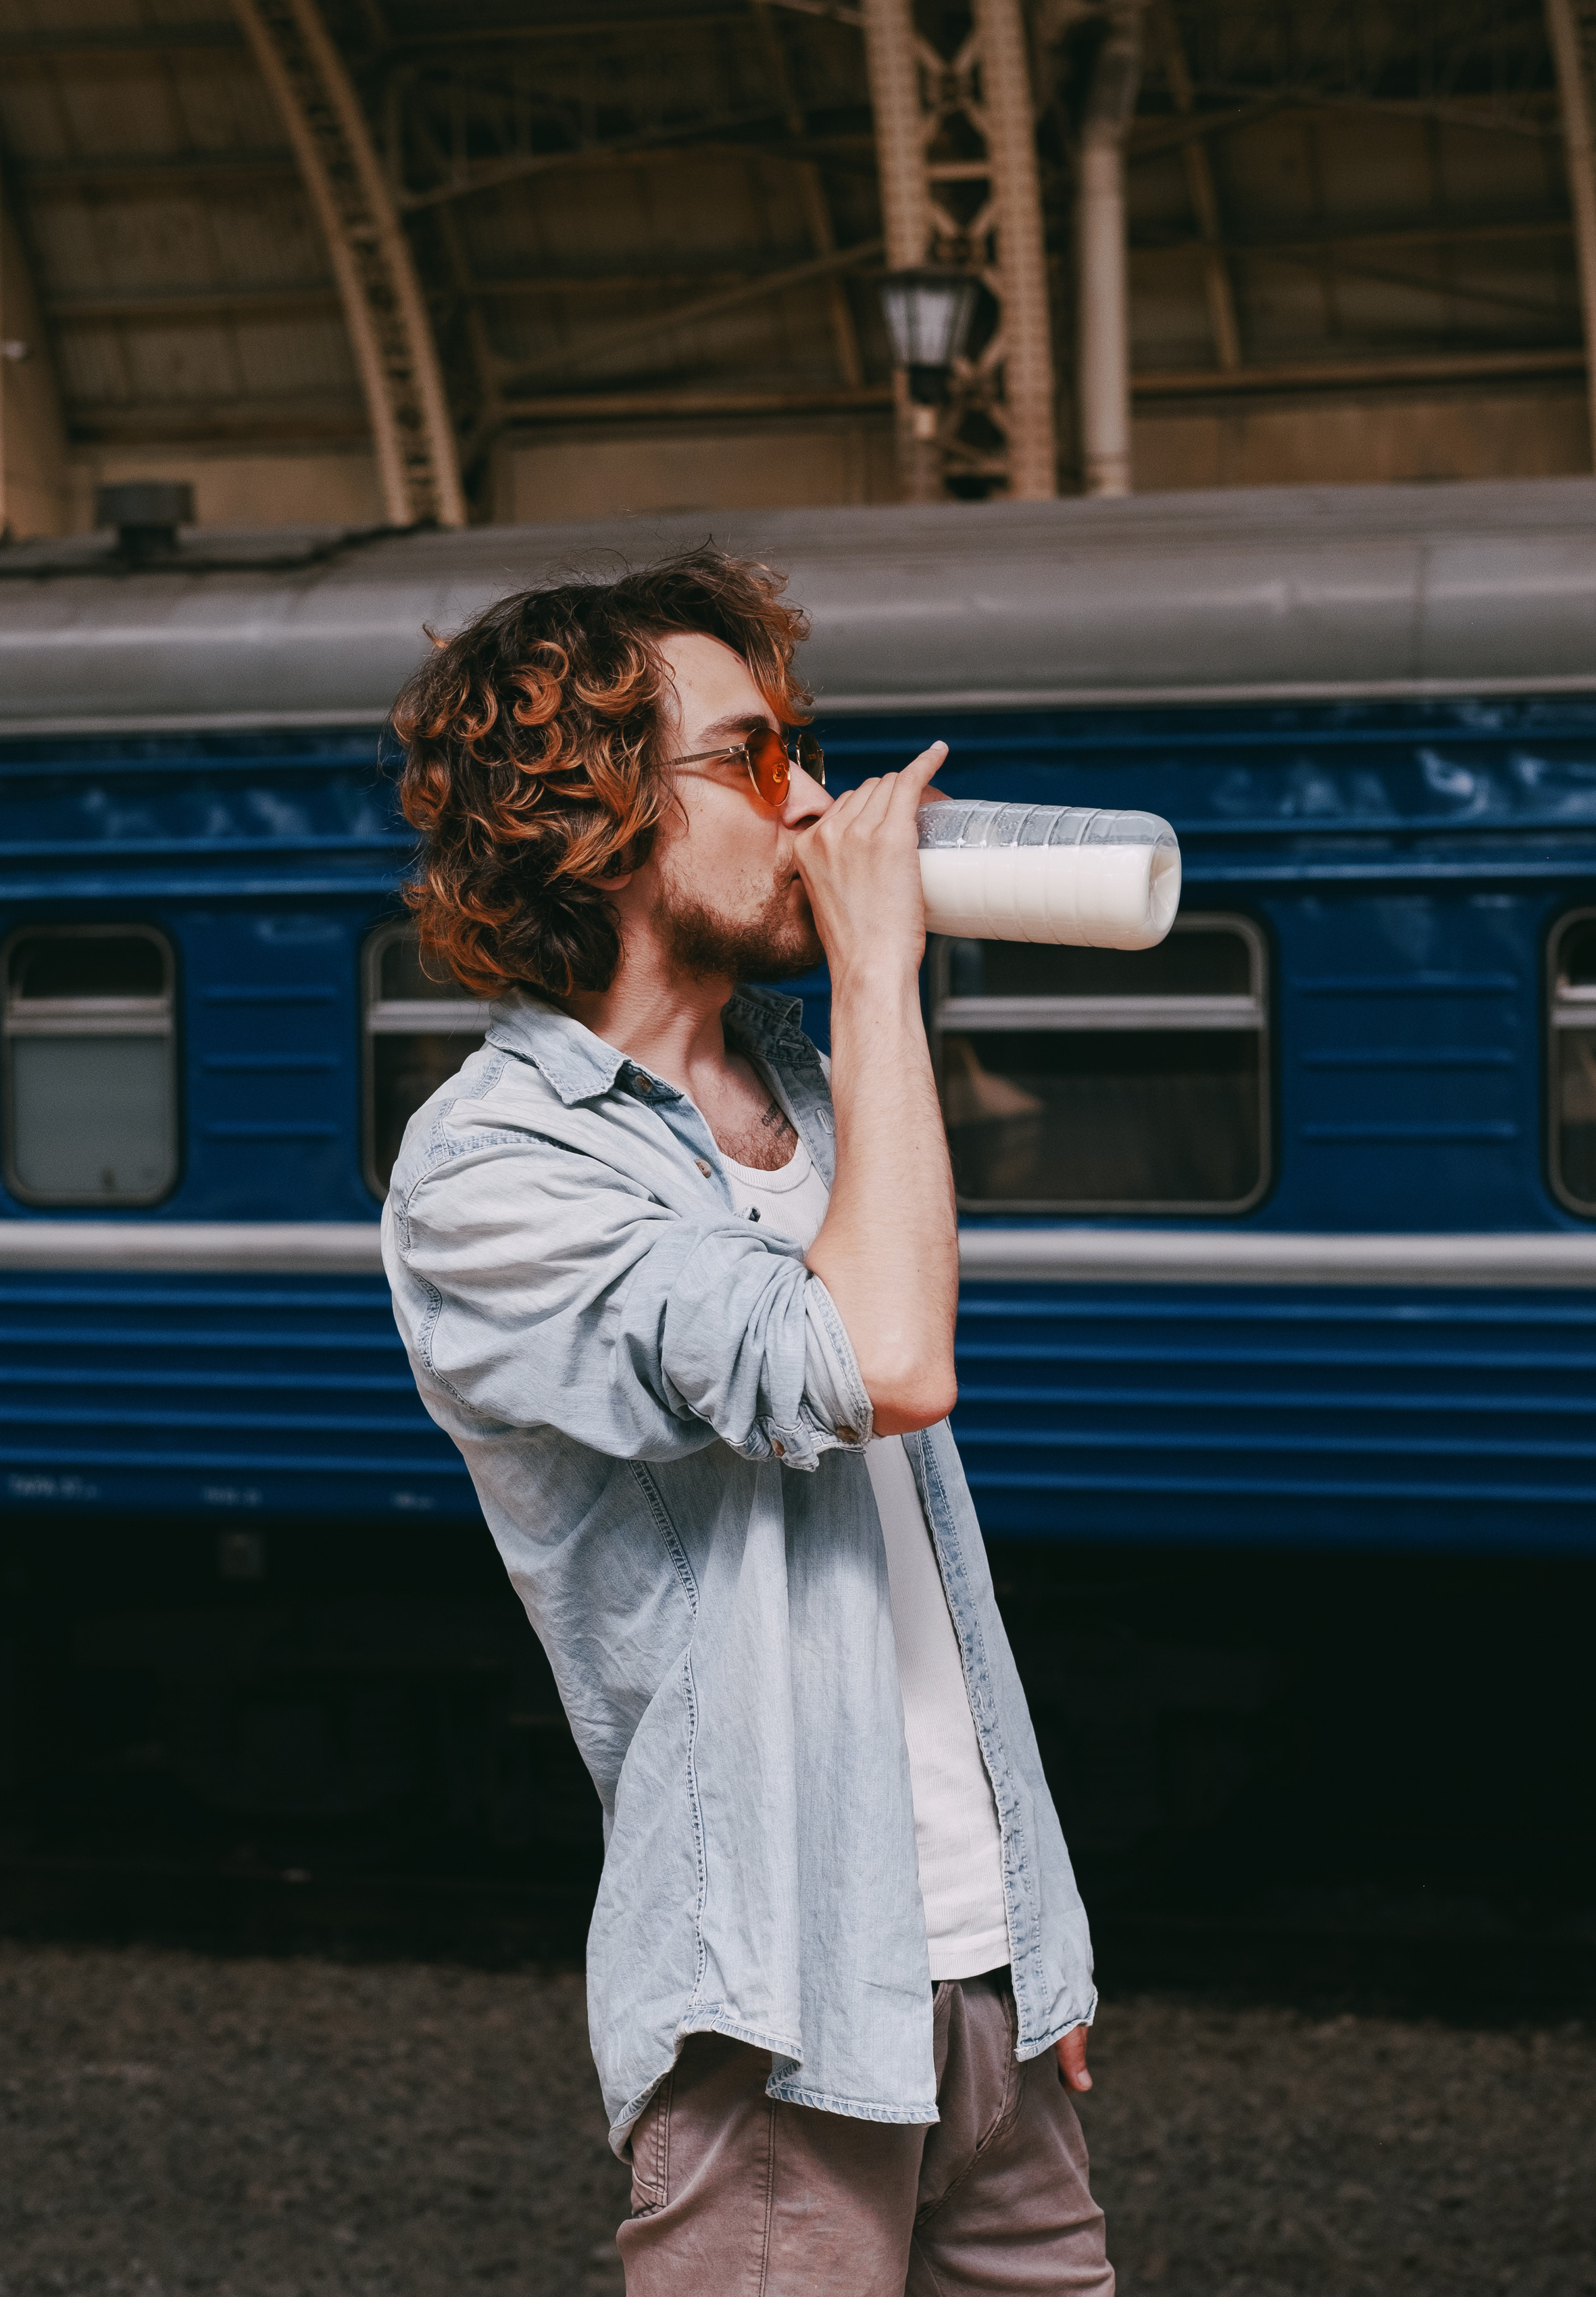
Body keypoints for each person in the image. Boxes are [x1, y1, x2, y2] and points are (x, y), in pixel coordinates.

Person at [382, 549, 1112, 2296]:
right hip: (782, 2003)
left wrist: (1036, 1948)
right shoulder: (493, 1172)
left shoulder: (804, 1088)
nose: (812, 802)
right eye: (753, 758)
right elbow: (880, 1367)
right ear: (595, 815)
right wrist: (880, 977)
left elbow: (919, 1561)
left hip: (992, 1990)